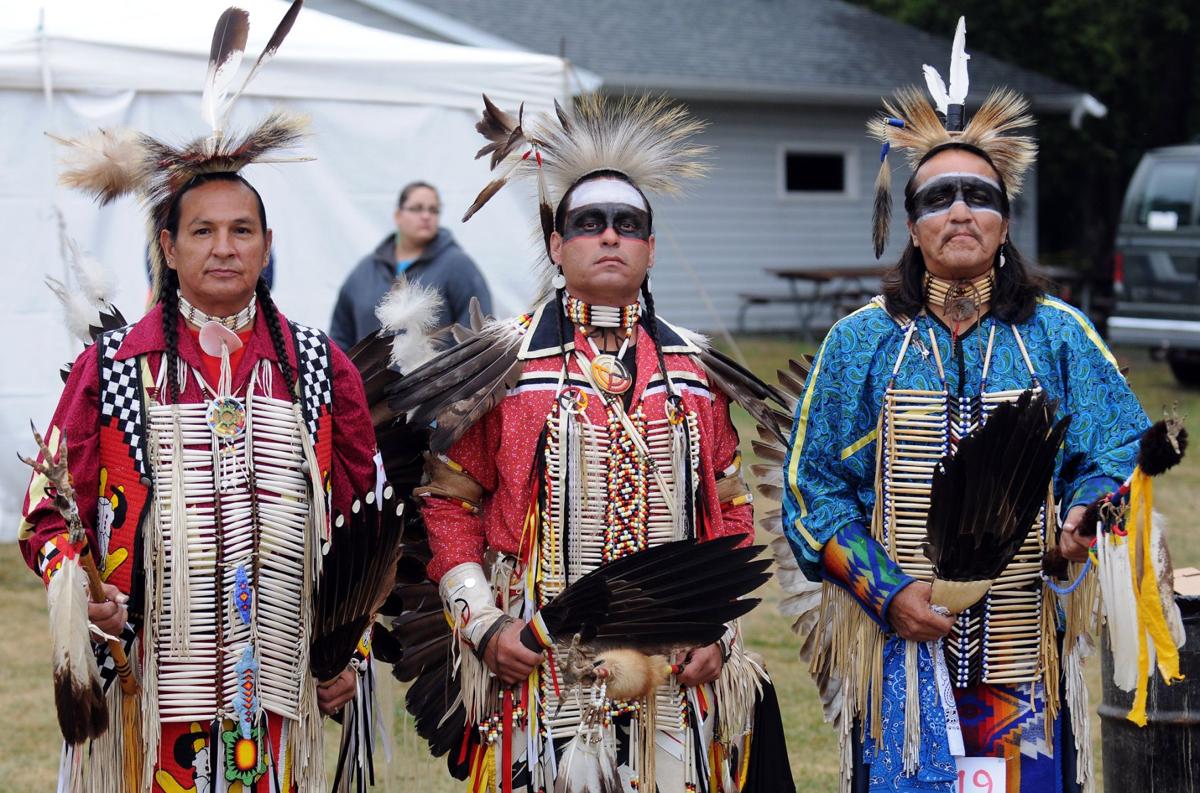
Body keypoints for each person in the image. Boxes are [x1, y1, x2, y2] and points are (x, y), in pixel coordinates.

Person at [384, 94, 795, 792]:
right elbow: (449, 504)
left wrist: (719, 634)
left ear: (651, 247)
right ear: (556, 243)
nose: (609, 235)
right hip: (541, 665)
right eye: (589, 222)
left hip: (672, 673)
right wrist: (483, 625)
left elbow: (727, 508)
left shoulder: (695, 374)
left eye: (628, 223)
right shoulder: (507, 368)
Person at [781, 18, 1150, 793]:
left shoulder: (1056, 336)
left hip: (1024, 649)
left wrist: (1081, 521)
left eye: (979, 196)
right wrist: (888, 593)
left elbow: (1120, 447)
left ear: (1005, 223)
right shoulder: (863, 343)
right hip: (899, 647)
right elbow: (813, 490)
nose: (960, 211)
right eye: (938, 197)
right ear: (912, 228)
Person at [18, 5, 379, 790]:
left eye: (242, 230)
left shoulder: (320, 369)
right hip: (150, 689)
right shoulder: (112, 368)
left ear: (268, 246)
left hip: (278, 688)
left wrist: (348, 648)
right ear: (169, 247)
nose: (224, 247)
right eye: (204, 230)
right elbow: (47, 515)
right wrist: (87, 596)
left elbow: (365, 521)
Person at [329, 181, 492, 350]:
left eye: (433, 210)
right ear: (398, 215)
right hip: (367, 376)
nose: (426, 216)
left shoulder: (458, 266)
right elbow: (339, 339)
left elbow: (479, 335)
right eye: (417, 208)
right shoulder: (364, 272)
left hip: (438, 376)